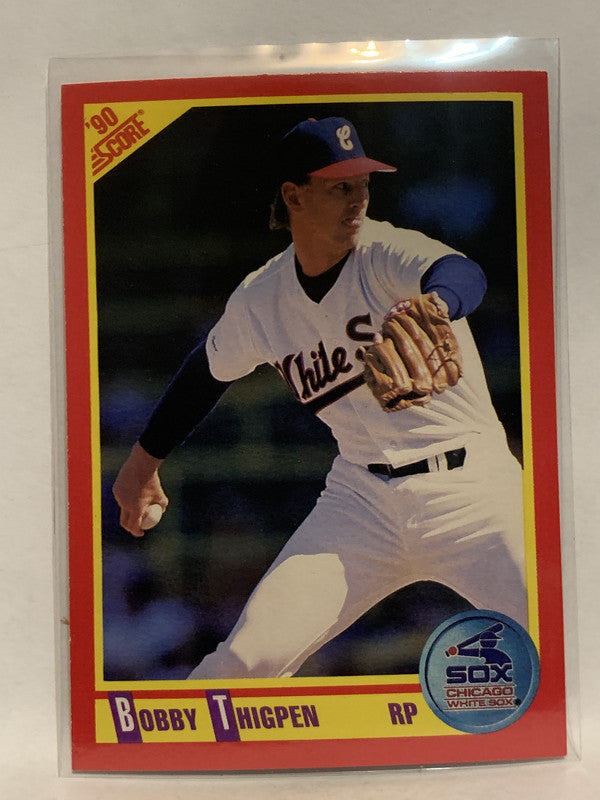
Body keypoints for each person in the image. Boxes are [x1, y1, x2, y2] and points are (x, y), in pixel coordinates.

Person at [113, 116, 527, 679]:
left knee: (561, 634)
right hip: (361, 504)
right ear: (294, 195)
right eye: (340, 186)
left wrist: (437, 304)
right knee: (243, 663)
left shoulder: (385, 252)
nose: (358, 199)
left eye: (363, 184)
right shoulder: (262, 297)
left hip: (473, 490)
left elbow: (460, 271)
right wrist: (141, 466)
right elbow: (205, 373)